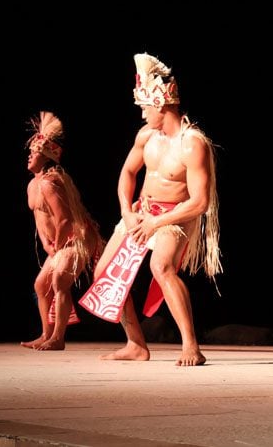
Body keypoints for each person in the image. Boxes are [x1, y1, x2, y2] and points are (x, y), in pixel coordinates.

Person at [83, 53, 221, 366]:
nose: (143, 115)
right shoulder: (146, 137)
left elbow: (199, 202)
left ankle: (191, 346)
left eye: (145, 107)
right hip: (141, 213)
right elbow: (127, 175)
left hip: (175, 217)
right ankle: (136, 344)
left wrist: (158, 222)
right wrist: (127, 213)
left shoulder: (192, 143)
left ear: (161, 104)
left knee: (162, 267)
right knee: (102, 272)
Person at [22, 111, 104, 351]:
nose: (29, 156)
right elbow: (39, 216)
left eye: (34, 153)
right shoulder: (33, 184)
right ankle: (46, 334)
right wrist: (48, 245)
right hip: (59, 241)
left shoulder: (51, 183)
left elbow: (66, 219)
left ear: (46, 157)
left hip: (76, 238)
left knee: (59, 280)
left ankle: (58, 338)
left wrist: (57, 243)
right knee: (41, 285)